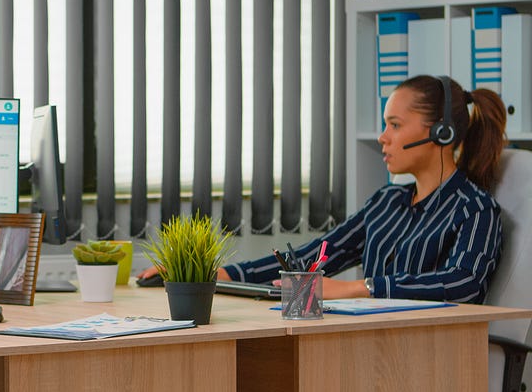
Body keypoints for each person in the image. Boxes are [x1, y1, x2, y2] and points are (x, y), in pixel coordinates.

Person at [138, 74, 508, 303]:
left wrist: (354, 288)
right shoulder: (388, 202)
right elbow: (314, 256)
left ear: (439, 132)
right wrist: (217, 274)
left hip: (428, 356)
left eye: (395, 125)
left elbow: (463, 283)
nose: (383, 138)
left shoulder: (475, 210)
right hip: (366, 345)